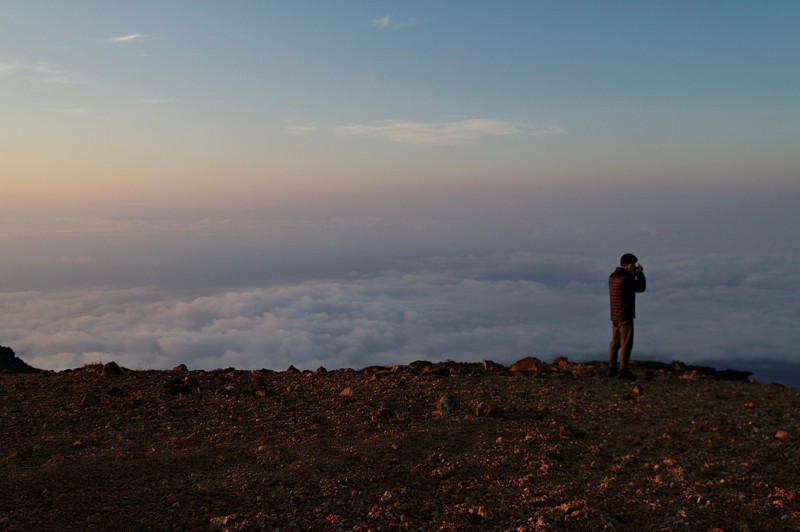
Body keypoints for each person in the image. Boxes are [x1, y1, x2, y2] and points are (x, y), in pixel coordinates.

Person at [608, 253, 646, 379]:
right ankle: (623, 370)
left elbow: (625, 286)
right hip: (625, 315)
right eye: (634, 265)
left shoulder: (613, 276)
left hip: (615, 315)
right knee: (626, 344)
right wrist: (639, 274)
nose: (634, 267)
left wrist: (632, 274)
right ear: (629, 264)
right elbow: (640, 288)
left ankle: (611, 368)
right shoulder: (626, 278)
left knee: (615, 343)